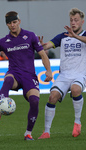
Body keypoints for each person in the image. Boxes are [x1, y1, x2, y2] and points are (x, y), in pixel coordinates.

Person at [0, 11, 52, 140]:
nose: (12, 25)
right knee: (7, 79)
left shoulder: (30, 36)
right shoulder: (4, 41)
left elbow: (42, 54)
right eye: (9, 23)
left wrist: (49, 71)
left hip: (29, 76)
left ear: (19, 21)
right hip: (15, 74)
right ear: (7, 24)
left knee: (35, 101)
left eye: (14, 22)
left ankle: (28, 133)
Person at [38, 8, 86, 139]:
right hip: (64, 75)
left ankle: (77, 122)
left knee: (76, 89)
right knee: (52, 97)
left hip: (80, 74)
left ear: (82, 21)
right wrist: (41, 46)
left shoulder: (84, 35)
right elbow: (48, 45)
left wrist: (75, 36)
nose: (73, 22)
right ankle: (46, 131)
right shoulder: (63, 36)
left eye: (76, 20)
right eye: (71, 20)